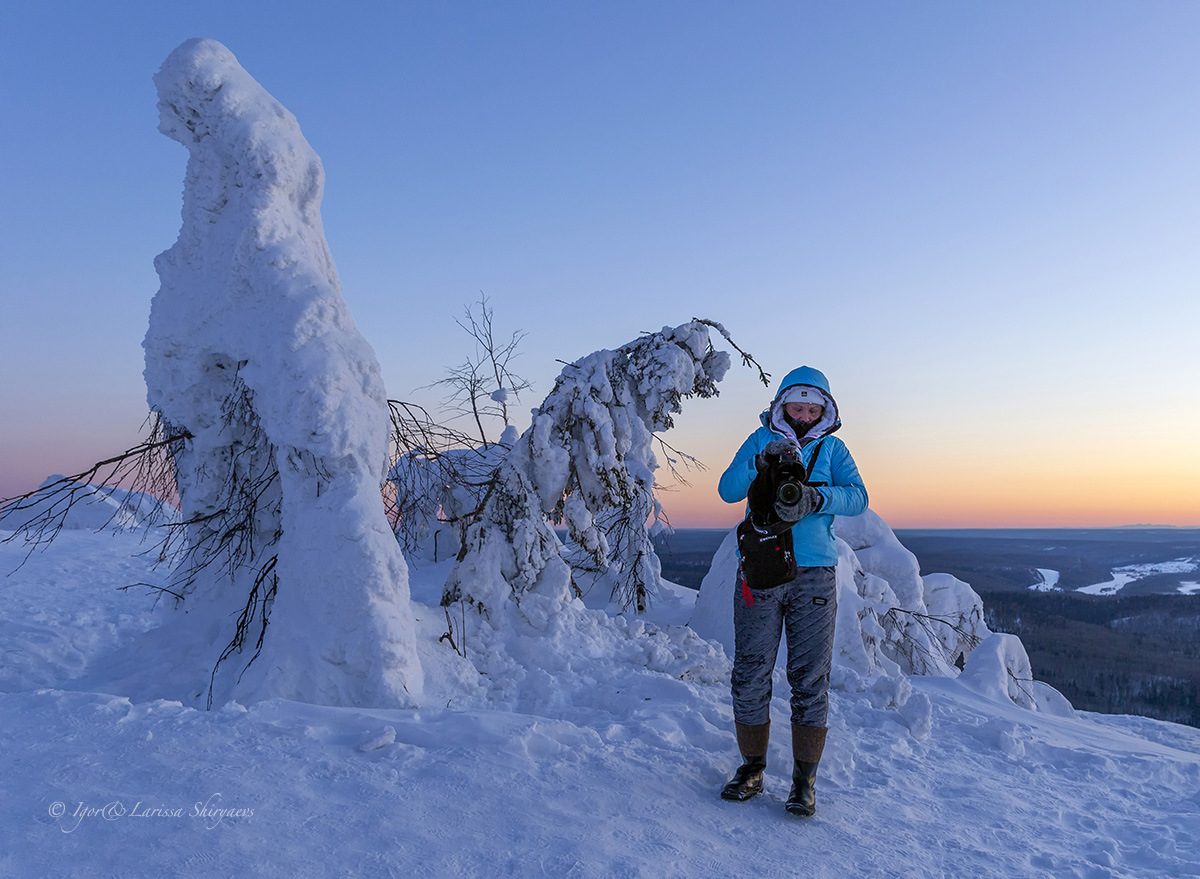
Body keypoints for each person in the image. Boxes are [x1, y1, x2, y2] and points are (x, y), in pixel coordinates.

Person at [717, 365, 868, 817]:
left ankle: (804, 782)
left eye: (811, 407)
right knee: (750, 670)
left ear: (825, 410)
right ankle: (752, 770)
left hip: (815, 573)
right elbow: (727, 490)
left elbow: (858, 497)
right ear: (781, 405)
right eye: (795, 406)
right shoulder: (760, 440)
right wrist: (760, 466)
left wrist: (817, 498)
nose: (803, 415)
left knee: (809, 678)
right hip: (762, 568)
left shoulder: (833, 448)